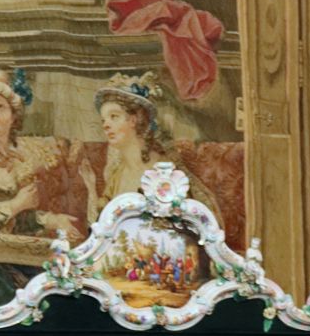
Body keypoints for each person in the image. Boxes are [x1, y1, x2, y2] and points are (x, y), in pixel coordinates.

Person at [0, 68, 79, 272]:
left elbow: (21, 217)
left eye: (1, 106)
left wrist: (52, 220)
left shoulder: (18, 158)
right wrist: (15, 205)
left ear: (14, 116)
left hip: (12, 252)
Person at [77, 73, 220, 225]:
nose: (105, 125)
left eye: (114, 116)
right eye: (103, 120)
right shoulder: (117, 174)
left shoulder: (162, 171)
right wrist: (91, 187)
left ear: (133, 120)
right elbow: (104, 223)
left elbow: (180, 226)